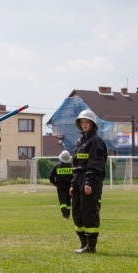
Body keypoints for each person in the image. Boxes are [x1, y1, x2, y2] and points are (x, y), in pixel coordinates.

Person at [70, 109, 108, 254]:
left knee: (89, 212)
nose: (84, 125)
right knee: (77, 212)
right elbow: (76, 165)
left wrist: (89, 182)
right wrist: (73, 184)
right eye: (82, 122)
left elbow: (96, 163)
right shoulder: (79, 142)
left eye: (87, 122)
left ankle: (91, 246)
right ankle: (83, 243)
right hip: (78, 179)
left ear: (92, 124)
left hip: (90, 180)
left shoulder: (96, 142)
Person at [48, 150, 73, 219]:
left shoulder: (57, 166)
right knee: (68, 201)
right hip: (69, 186)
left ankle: (64, 215)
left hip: (60, 186)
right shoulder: (72, 166)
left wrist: (54, 183)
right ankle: (68, 214)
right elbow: (75, 177)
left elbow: (50, 176)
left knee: (62, 201)